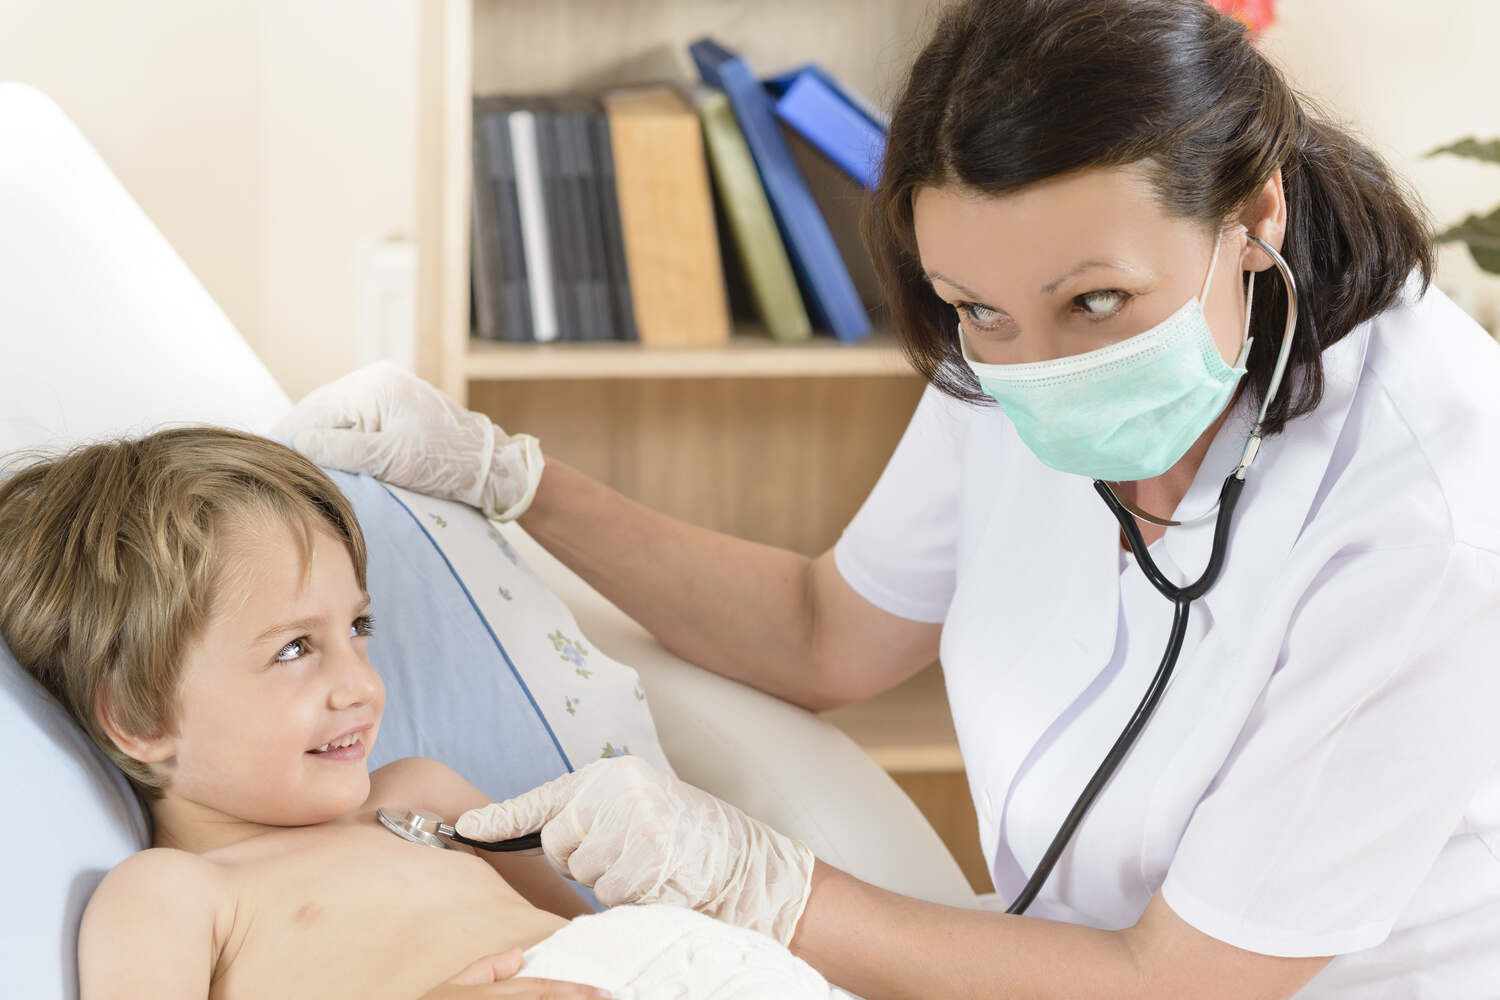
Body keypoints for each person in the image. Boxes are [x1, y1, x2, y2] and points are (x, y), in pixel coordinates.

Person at [275, 0, 1500, 996]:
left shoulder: (1425, 516)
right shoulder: (1009, 331)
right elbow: (826, 633)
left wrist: (757, 882)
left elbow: (1171, 980)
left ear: (1255, 214)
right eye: (978, 312)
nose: (1032, 370)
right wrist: (514, 479)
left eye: (1096, 303)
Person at [0, 428, 850, 999]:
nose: (362, 685)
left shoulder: (420, 797)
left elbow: (582, 931)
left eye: (358, 628)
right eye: (295, 648)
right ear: (140, 717)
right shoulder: (174, 894)